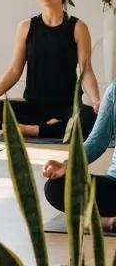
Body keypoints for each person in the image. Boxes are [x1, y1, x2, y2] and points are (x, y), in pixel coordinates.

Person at [0, 0, 100, 138]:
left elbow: (86, 70)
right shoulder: (26, 27)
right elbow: (14, 71)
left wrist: (96, 101)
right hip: (33, 107)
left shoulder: (78, 27)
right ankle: (52, 127)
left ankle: (32, 130)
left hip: (67, 107)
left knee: (91, 118)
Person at [42, 79, 116, 228]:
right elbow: (97, 140)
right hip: (113, 184)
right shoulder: (114, 90)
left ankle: (110, 219)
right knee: (55, 188)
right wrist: (68, 165)